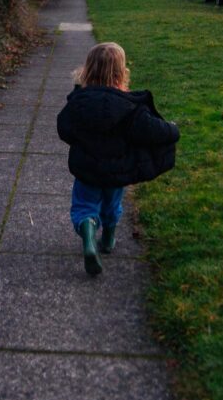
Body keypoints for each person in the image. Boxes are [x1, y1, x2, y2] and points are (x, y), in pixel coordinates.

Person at [57, 42, 180, 276]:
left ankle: (89, 236)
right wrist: (173, 129)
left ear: (88, 70)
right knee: (112, 206)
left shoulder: (78, 102)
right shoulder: (130, 107)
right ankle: (109, 239)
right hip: (117, 172)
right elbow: (153, 130)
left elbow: (64, 128)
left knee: (84, 206)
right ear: (121, 73)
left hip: (86, 169)